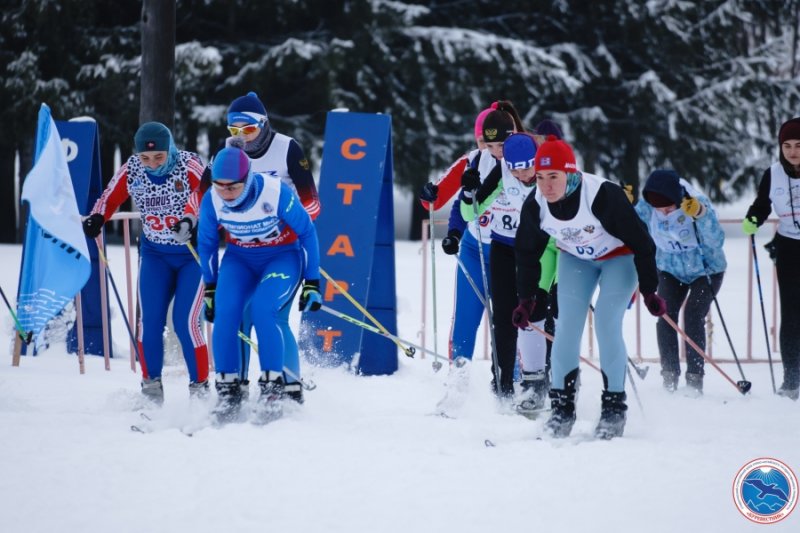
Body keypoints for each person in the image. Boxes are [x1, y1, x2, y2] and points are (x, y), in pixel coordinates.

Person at [514, 135, 663, 439]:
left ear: (570, 173)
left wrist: (649, 290)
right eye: (540, 178)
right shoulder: (536, 204)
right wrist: (526, 300)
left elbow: (642, 242)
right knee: (566, 327)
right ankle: (562, 410)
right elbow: (527, 254)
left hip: (619, 258)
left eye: (553, 177)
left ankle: (613, 409)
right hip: (575, 259)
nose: (546, 186)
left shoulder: (601, 195)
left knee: (607, 324)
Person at [177, 91, 320, 403]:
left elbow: (311, 203)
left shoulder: (286, 148)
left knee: (268, 313)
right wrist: (190, 220)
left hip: (284, 242)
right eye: (234, 131)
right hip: (242, 252)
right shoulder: (225, 158)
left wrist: (286, 221)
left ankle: (286, 386)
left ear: (264, 124)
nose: (242, 138)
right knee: (232, 315)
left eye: (249, 129)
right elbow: (204, 198)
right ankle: (233, 388)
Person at [83, 122, 210, 404]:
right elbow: (110, 196)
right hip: (155, 255)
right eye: (146, 157)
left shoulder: (188, 164)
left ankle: (199, 391)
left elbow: (204, 192)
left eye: (159, 157)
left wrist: (190, 220)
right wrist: (97, 217)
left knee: (185, 323)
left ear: (170, 150)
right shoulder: (132, 169)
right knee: (149, 322)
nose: (152, 164)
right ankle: (151, 389)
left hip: (192, 255)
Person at [196, 145, 321, 422]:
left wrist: (313, 281)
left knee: (266, 311)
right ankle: (229, 391)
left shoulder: (275, 192)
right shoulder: (211, 200)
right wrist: (211, 286)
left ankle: (273, 388)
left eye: (233, 187)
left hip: (282, 257)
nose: (226, 193)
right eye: (219, 186)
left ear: (248, 179)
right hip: (240, 260)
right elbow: (205, 244)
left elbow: (307, 232)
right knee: (226, 314)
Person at [423, 101, 526, 411]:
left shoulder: (522, 159)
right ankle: (458, 386)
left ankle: (516, 384)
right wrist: (454, 232)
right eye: (483, 141)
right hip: (475, 249)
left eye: (496, 143)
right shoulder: (474, 161)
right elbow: (454, 203)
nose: (489, 149)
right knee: (465, 321)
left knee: (510, 322)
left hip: (511, 253)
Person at [461, 131, 559, 410]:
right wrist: (469, 193)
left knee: (536, 311)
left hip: (544, 249)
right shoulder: (504, 172)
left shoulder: (547, 175)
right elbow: (471, 214)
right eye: (515, 169)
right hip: (505, 248)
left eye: (527, 167)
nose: (522, 175)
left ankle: (537, 384)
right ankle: (503, 386)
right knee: (504, 317)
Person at [634, 170, 726, 395]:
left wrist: (701, 215)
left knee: (693, 315)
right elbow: (632, 226)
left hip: (706, 270)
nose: (664, 213)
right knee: (665, 315)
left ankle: (695, 379)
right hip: (670, 269)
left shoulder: (695, 202)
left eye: (669, 209)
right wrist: (624, 205)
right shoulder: (648, 207)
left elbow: (716, 241)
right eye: (660, 210)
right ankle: (669, 375)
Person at [743, 117, 800, 400]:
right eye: (787, 145)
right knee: (791, 315)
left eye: (799, 145)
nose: (793, 151)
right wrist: (753, 219)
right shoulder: (774, 174)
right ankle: (792, 379)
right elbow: (762, 205)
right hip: (790, 248)